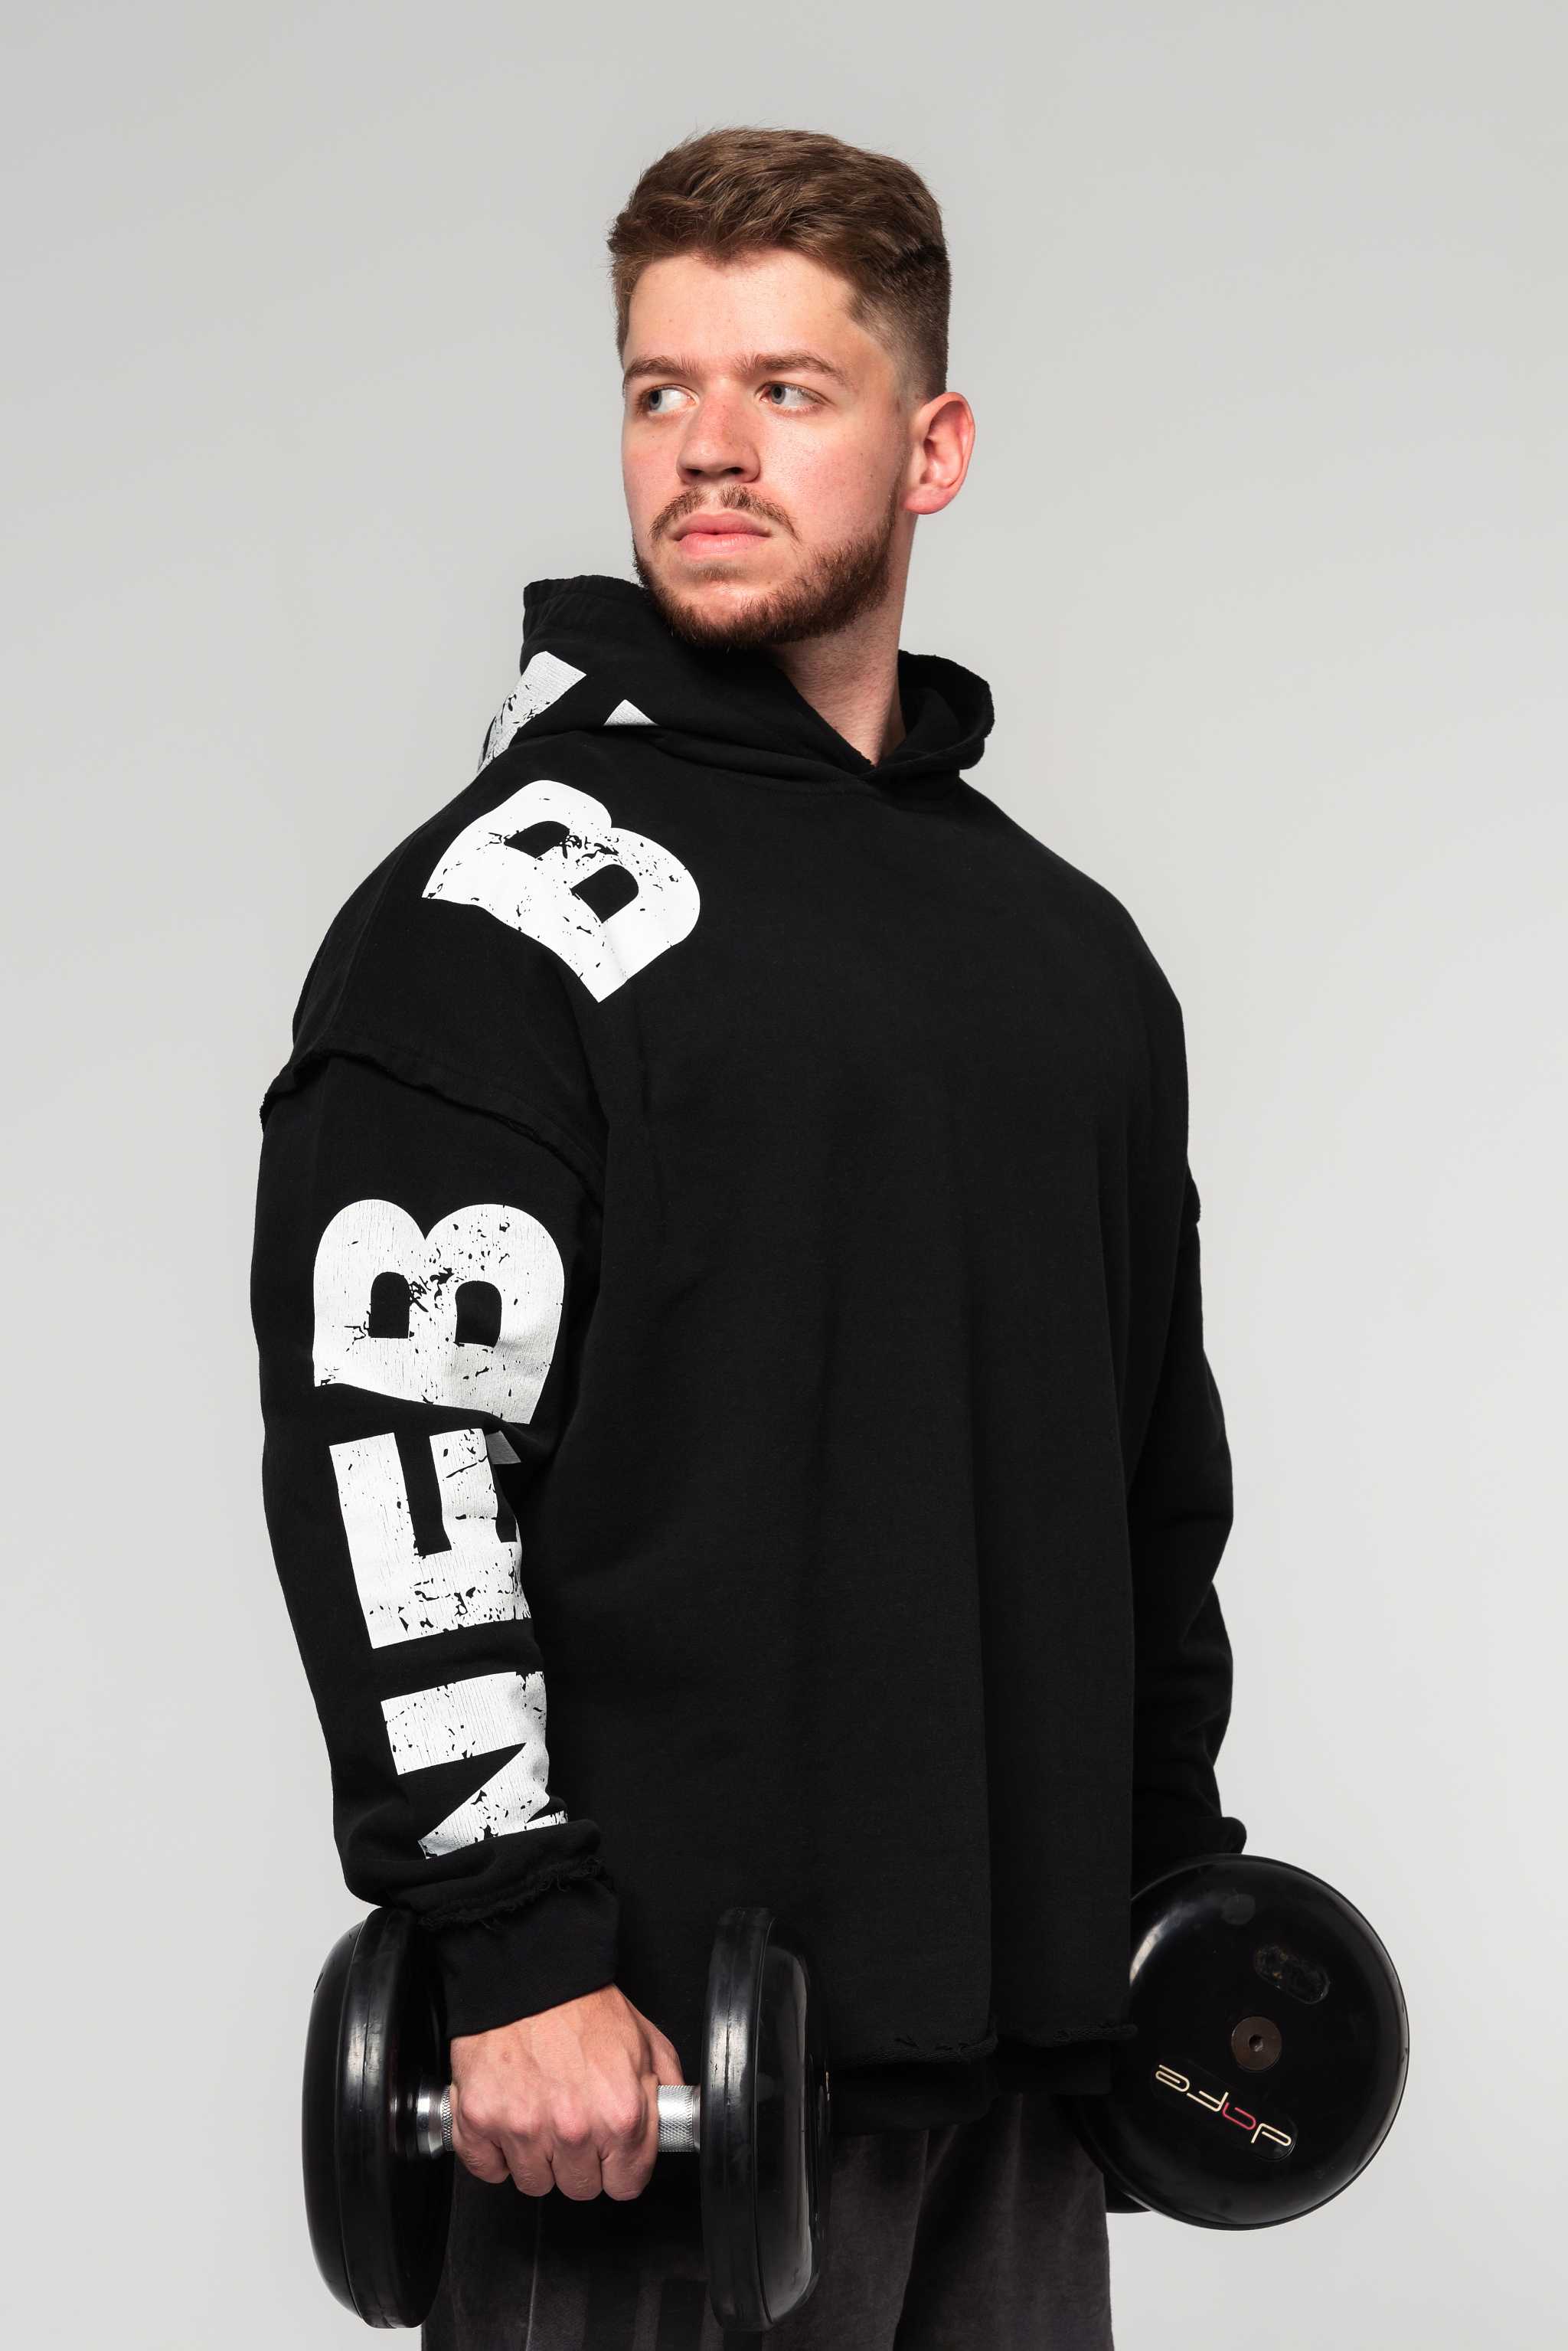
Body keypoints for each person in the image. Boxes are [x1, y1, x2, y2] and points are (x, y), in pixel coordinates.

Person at [250, 124, 1246, 2350]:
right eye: (659, 389)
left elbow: (1144, 1496)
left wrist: (1169, 1914)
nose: (709, 449)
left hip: (1018, 2092)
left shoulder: (1070, 957)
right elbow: (393, 1449)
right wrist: (511, 1945)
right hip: (654, 2100)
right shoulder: (501, 916)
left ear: (934, 445)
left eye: (789, 388)